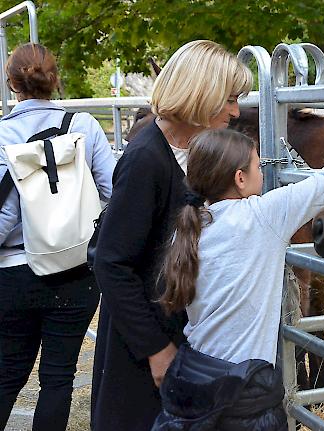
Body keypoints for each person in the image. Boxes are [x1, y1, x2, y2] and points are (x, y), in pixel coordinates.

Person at [152, 129, 324, 430]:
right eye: (258, 165)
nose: (263, 173)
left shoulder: (190, 227)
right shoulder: (263, 216)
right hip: (245, 387)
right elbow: (323, 185)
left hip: (196, 374)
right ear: (240, 179)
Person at [91, 40, 252, 431]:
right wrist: (157, 352)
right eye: (229, 98)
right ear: (201, 91)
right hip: (143, 350)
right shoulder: (147, 158)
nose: (235, 110)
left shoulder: (193, 152)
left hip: (178, 334)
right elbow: (111, 262)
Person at [0, 43, 115, 431]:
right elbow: (114, 190)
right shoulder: (84, 126)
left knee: (8, 373)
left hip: (12, 272)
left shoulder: (1, 135)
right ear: (55, 78)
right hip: (75, 267)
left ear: (10, 81)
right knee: (58, 377)